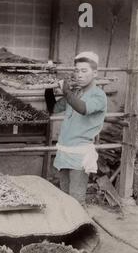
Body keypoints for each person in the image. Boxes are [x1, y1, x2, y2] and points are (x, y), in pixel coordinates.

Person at [44, 51, 107, 205]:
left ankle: (83, 228)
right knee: (65, 196)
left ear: (95, 73)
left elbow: (83, 109)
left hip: (80, 154)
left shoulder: (98, 95)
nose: (79, 75)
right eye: (77, 70)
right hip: (65, 151)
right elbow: (53, 108)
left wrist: (66, 91)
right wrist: (48, 86)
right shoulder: (76, 93)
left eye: (84, 71)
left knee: (76, 199)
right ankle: (69, 228)